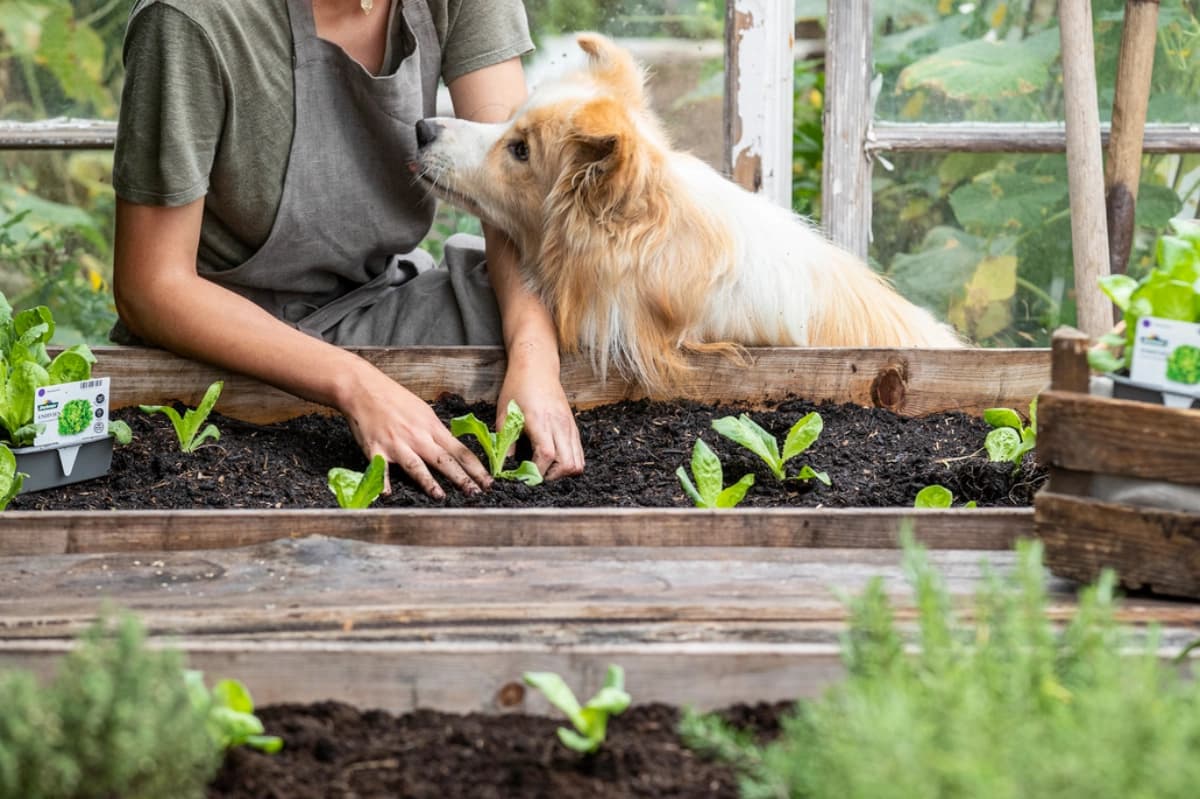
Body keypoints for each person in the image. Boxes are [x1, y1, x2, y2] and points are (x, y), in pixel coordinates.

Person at [111, 0, 585, 499]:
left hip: (378, 300)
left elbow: (509, 189)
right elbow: (151, 287)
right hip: (227, 338)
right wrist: (357, 386)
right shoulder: (191, 18)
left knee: (578, 323)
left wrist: (536, 363)